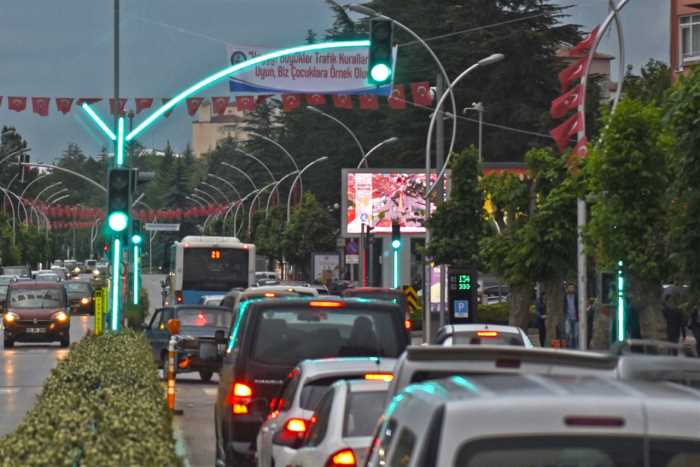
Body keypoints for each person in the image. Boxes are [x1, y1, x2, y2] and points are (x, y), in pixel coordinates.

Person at [562, 283, 578, 349]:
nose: (571, 289)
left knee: (575, 334)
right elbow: (564, 306)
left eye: (572, 287)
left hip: (576, 317)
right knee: (568, 333)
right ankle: (569, 347)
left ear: (574, 289)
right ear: (567, 289)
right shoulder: (565, 296)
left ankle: (574, 348)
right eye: (570, 287)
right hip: (568, 317)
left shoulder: (577, 296)